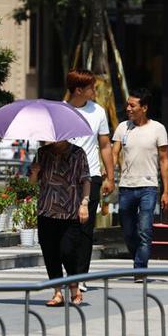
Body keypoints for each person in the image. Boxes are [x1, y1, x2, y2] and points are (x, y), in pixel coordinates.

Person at [112, 88, 168, 280]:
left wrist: (166, 191)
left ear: (144, 108)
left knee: (145, 230)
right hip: (126, 187)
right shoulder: (123, 127)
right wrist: (108, 176)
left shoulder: (158, 129)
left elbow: (164, 160)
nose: (128, 108)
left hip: (148, 187)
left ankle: (139, 269)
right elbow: (113, 153)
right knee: (128, 231)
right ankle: (138, 258)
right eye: (127, 104)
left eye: (132, 105)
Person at [65, 69, 115, 291]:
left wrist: (110, 177)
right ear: (78, 90)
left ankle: (80, 275)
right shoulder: (61, 111)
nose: (95, 90)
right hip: (66, 178)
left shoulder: (99, 112)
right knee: (67, 228)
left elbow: (105, 145)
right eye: (91, 87)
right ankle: (69, 274)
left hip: (92, 176)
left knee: (85, 228)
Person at [29, 140, 90, 306]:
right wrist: (34, 173)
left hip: (70, 211)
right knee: (50, 253)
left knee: (68, 251)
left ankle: (74, 287)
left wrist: (84, 204)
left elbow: (85, 180)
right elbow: (32, 183)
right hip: (46, 210)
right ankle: (57, 292)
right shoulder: (42, 153)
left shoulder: (78, 153)